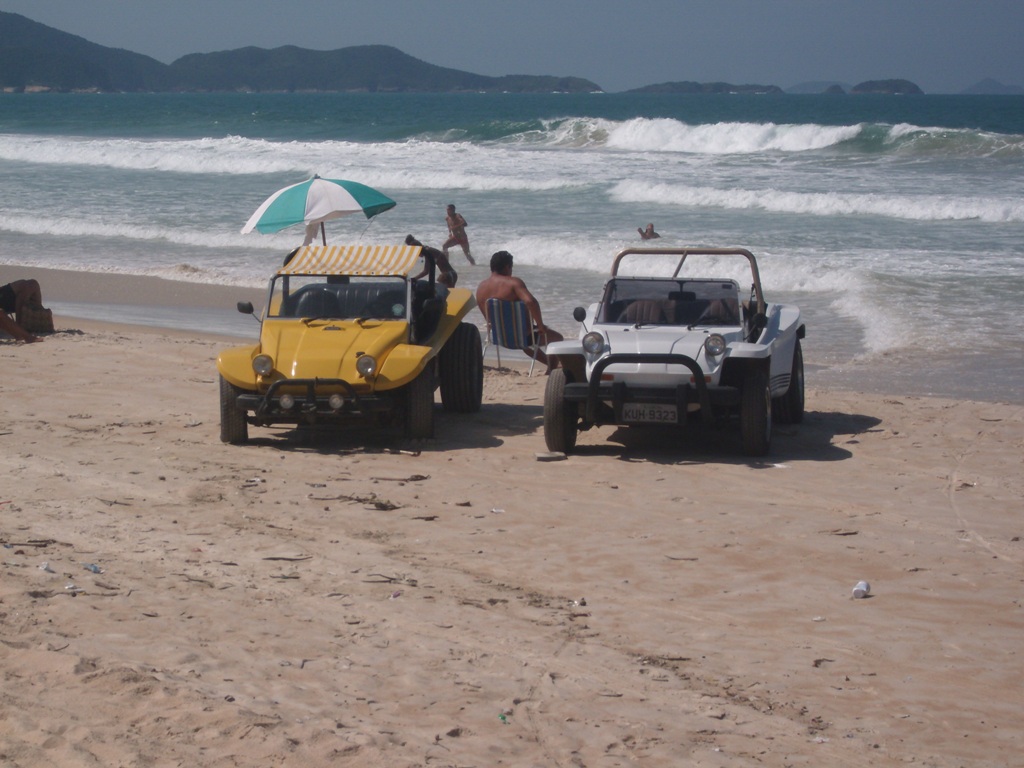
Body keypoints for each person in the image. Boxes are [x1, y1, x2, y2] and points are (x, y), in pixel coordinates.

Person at [475, 250, 562, 367]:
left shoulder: (481, 287)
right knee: (557, 338)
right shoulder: (513, 283)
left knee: (525, 343)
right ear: (507, 267)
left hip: (499, 337)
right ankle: (551, 367)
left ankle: (548, 364)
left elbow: (488, 319)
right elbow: (531, 302)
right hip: (523, 337)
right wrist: (540, 326)